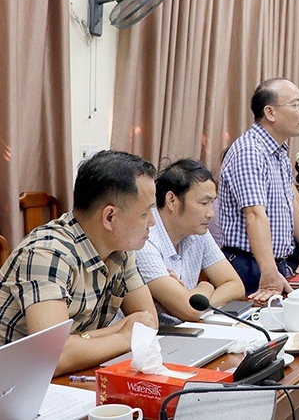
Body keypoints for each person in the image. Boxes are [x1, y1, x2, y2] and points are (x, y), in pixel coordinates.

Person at [0, 150, 159, 375]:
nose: (152, 222)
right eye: (145, 213)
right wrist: (123, 335)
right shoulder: (48, 253)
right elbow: (54, 357)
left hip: (68, 378)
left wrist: (77, 343)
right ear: (110, 217)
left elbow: (147, 322)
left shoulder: (121, 249)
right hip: (14, 384)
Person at [218, 78, 299, 301]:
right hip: (251, 266)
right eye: (296, 105)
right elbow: (254, 215)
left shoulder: (279, 151)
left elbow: (289, 200)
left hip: (273, 264)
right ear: (270, 112)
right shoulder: (250, 151)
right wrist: (269, 271)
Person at [135, 159, 245, 326]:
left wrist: (195, 298)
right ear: (172, 200)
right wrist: (205, 287)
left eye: (212, 203)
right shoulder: (145, 239)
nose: (211, 214)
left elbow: (236, 286)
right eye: (203, 203)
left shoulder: (199, 231)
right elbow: (188, 310)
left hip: (188, 333)